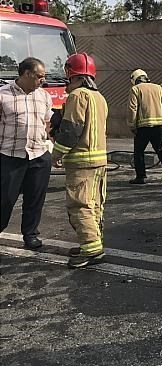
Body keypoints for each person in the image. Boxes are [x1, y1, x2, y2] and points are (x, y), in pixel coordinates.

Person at [51, 53, 109, 269]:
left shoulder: (77, 96)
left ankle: (92, 250)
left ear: (70, 74)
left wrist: (56, 154)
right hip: (99, 160)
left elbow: (71, 129)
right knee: (93, 204)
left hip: (81, 161)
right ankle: (91, 243)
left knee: (79, 206)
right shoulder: (99, 97)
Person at [0, 57, 53, 249]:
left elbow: (48, 122)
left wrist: (51, 145)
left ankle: (30, 234)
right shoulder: (3, 95)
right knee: (5, 199)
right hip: (10, 157)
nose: (42, 80)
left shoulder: (43, 96)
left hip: (39, 155)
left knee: (35, 199)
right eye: (40, 76)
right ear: (27, 74)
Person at [127, 69, 162, 186]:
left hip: (143, 127)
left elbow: (132, 109)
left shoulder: (135, 89)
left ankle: (141, 176)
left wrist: (132, 125)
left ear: (135, 80)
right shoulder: (158, 88)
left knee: (139, 152)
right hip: (159, 126)